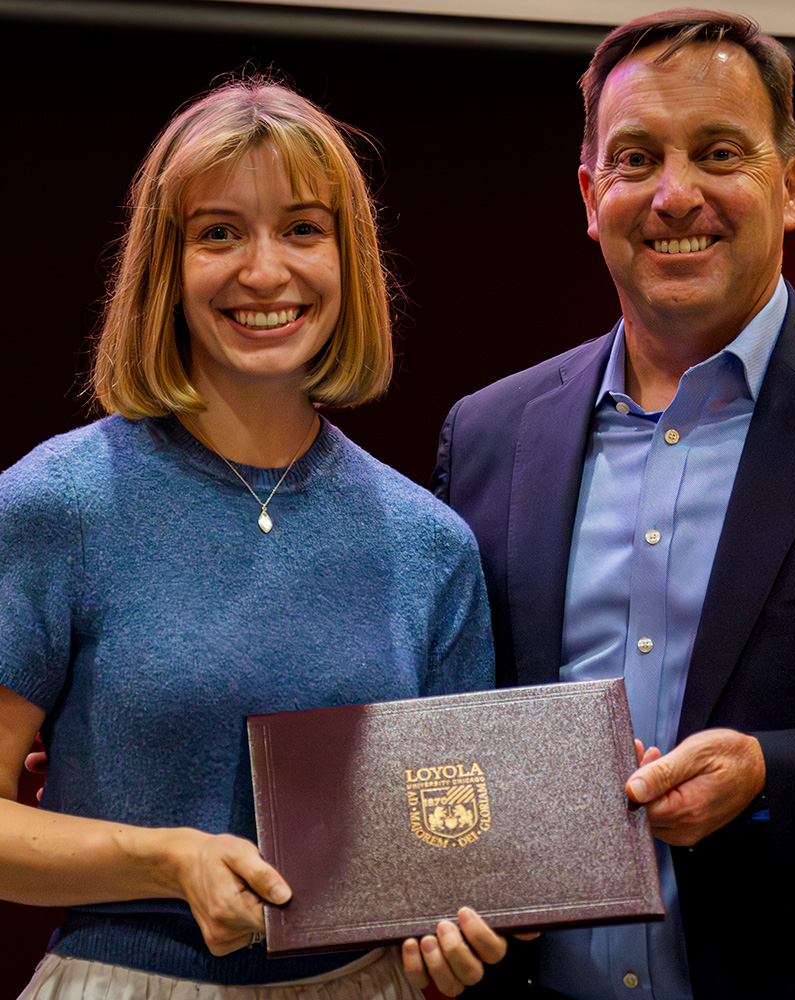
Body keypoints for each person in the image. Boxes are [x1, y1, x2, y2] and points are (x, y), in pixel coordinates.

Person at [431, 10, 795, 999]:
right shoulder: (488, 436)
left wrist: (773, 780)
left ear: (790, 188)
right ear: (587, 194)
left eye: (718, 153)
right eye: (635, 157)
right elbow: (452, 732)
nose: (673, 193)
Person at [0, 76, 504, 999]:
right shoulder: (52, 504)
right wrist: (165, 861)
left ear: (348, 260)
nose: (264, 271)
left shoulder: (430, 543)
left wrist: (455, 935)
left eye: (303, 229)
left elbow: (452, 843)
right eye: (218, 232)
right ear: (165, 265)